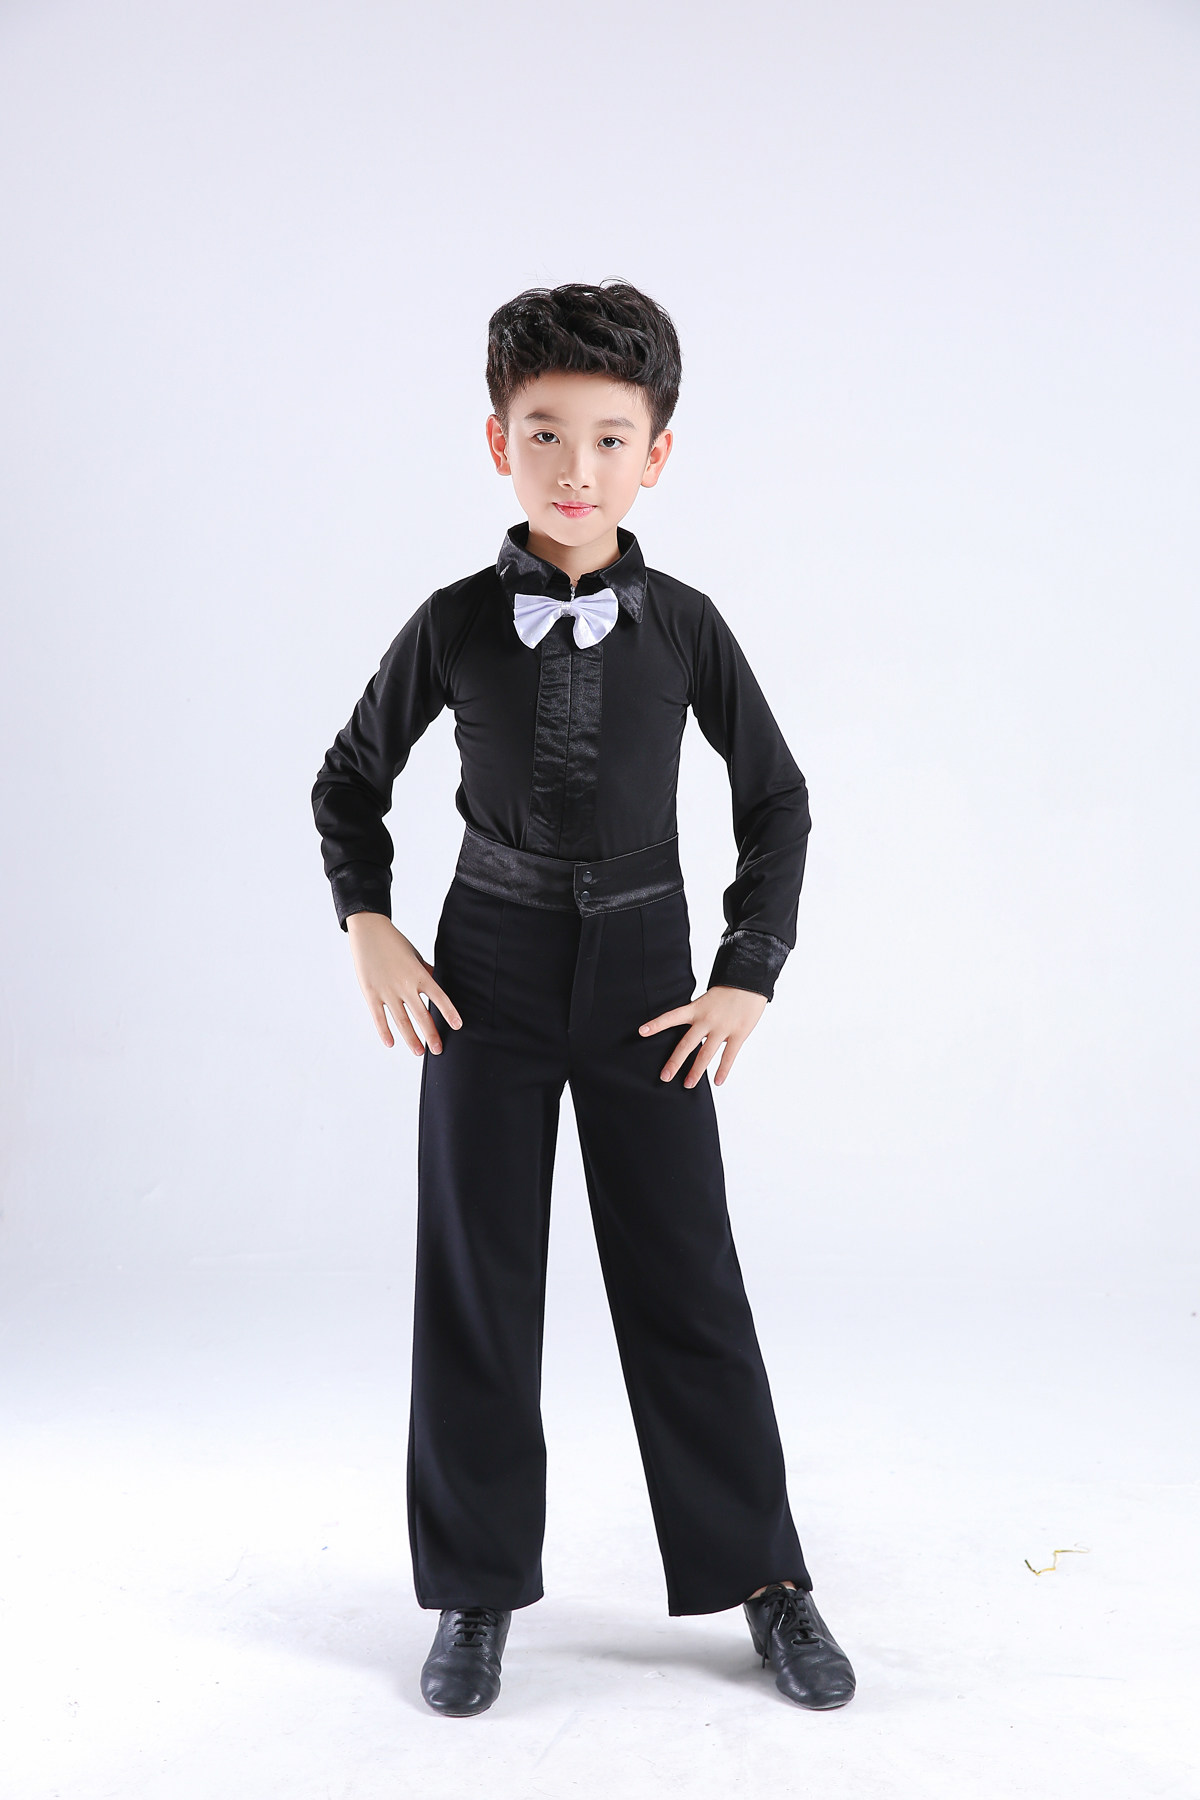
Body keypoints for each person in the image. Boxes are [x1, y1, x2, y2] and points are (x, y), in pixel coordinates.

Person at [310, 280, 855, 1717]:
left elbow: (779, 801)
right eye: (544, 433)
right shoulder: (452, 624)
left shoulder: (687, 626)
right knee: (477, 1282)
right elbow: (348, 780)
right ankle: (475, 1587)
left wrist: (746, 973)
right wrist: (370, 922)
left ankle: (765, 1578)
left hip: (645, 982)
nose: (575, 467)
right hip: (481, 979)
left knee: (686, 1279)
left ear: (656, 455)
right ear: (498, 442)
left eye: (610, 438)